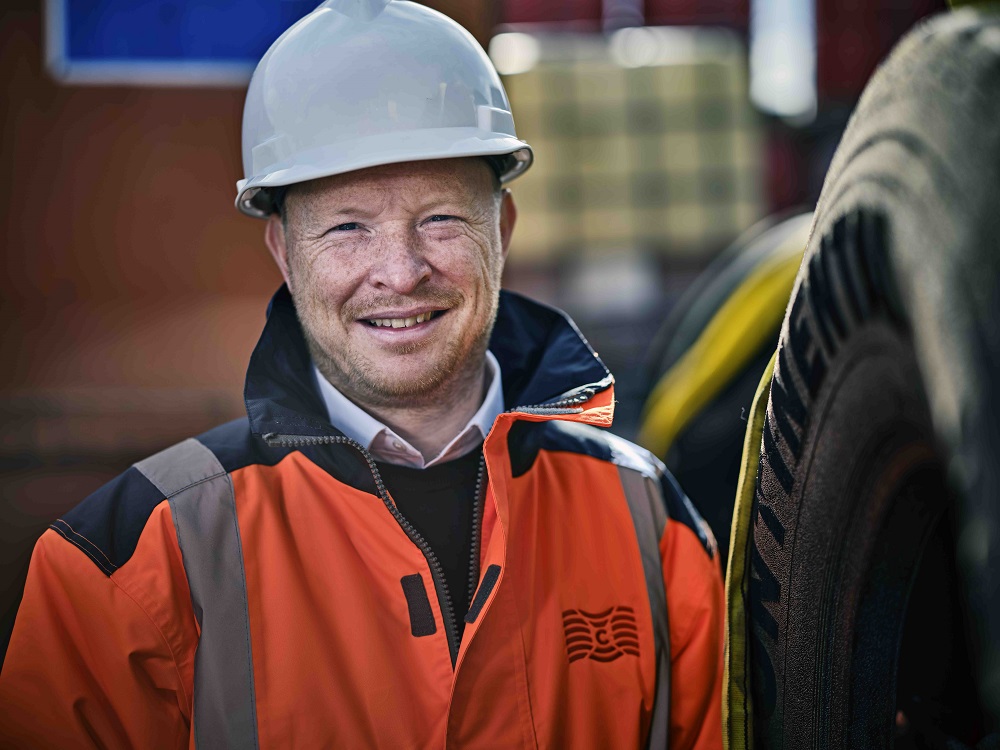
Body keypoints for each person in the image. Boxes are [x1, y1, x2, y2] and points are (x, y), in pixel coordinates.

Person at [0, 0, 724, 747]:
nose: (400, 273)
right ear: (284, 251)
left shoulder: (649, 522)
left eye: (441, 218)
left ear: (502, 232)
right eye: (348, 227)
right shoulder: (131, 560)